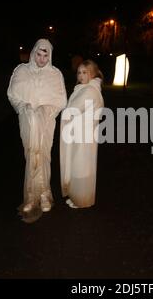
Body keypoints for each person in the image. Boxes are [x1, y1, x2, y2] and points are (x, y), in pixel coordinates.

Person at [7, 38, 67, 223]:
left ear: (50, 56)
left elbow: (61, 101)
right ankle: (32, 197)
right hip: (27, 121)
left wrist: (45, 110)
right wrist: (24, 107)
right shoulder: (21, 70)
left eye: (45, 55)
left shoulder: (55, 74)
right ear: (33, 53)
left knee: (43, 154)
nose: (41, 59)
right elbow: (12, 94)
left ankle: (44, 194)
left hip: (46, 122)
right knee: (31, 154)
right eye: (39, 55)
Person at [60, 60, 104, 209]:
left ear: (92, 73)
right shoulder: (84, 88)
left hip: (83, 136)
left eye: (85, 72)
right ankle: (77, 195)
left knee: (81, 166)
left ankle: (82, 199)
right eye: (79, 72)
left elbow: (73, 109)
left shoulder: (89, 91)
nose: (81, 75)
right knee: (78, 165)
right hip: (80, 134)